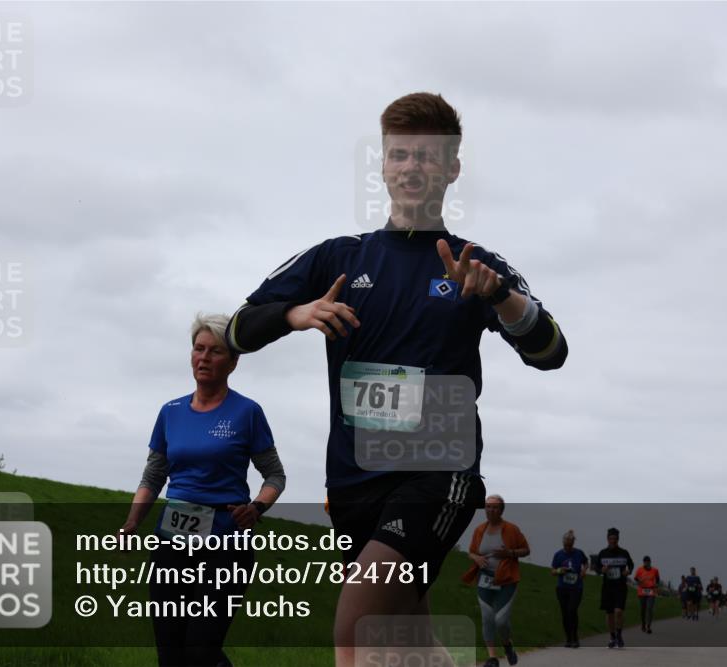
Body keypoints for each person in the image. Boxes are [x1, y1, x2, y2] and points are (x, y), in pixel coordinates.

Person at [224, 92, 568, 667]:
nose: (412, 167)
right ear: (383, 166)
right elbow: (235, 330)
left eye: (428, 157)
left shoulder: (478, 264)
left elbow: (550, 352)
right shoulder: (337, 257)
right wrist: (294, 314)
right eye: (399, 155)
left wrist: (501, 298)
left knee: (358, 628)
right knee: (407, 648)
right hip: (354, 485)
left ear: (452, 169)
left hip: (440, 474)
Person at [120, 314, 286, 667]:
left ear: (234, 361)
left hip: (226, 545)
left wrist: (256, 507)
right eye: (198, 349)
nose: (204, 358)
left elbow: (274, 475)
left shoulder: (247, 412)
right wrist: (132, 523)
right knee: (170, 651)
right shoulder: (171, 412)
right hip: (172, 543)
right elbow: (153, 476)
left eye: (215, 351)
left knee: (201, 650)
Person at [462, 495, 530, 667]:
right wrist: (476, 558)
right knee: (487, 618)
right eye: (488, 507)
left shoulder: (511, 529)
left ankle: (507, 645)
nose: (490, 510)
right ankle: (492, 658)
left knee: (501, 621)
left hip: (506, 580)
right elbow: (471, 551)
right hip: (484, 579)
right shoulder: (479, 530)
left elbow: (526, 550)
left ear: (501, 510)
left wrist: (510, 553)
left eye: (494, 507)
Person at [596, 527, 634, 649]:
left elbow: (631, 565)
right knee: (610, 614)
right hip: (607, 587)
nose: (612, 541)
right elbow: (596, 568)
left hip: (620, 587)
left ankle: (619, 635)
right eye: (610, 538)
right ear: (607, 539)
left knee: (618, 611)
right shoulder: (602, 553)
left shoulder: (624, 552)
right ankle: (612, 637)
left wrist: (628, 571)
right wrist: (601, 570)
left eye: (615, 539)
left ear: (618, 539)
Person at [551, 529, 589, 649]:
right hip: (562, 588)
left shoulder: (579, 553)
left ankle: (575, 637)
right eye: (565, 545)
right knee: (565, 613)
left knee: (572, 610)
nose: (567, 547)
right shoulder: (558, 555)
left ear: (573, 543)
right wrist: (559, 570)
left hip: (576, 587)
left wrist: (583, 570)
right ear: (563, 543)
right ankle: (568, 638)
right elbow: (552, 571)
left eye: (569, 545)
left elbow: (586, 562)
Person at [634, 556, 660, 634]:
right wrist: (639, 580)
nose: (646, 563)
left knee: (649, 608)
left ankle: (648, 626)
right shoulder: (639, 569)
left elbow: (658, 579)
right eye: (645, 561)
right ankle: (643, 624)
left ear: (650, 562)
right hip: (642, 590)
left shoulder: (655, 570)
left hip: (651, 590)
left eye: (647, 561)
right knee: (643, 609)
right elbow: (635, 578)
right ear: (643, 562)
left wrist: (656, 584)